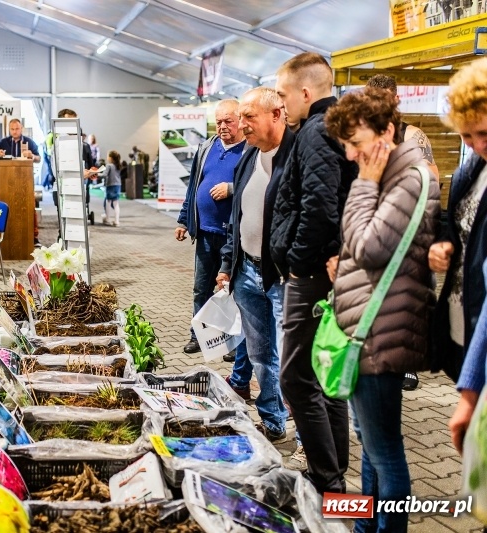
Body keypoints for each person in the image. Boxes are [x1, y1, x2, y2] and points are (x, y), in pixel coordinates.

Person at [324, 86, 440, 533]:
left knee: (386, 452)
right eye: (346, 145)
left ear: (387, 131)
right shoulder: (391, 172)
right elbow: (368, 246)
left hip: (381, 334)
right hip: (373, 326)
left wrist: (364, 185)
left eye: (356, 143)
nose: (352, 155)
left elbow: (369, 246)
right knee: (372, 447)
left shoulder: (406, 178)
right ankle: (365, 526)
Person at [270, 52, 358, 494]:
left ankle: (327, 481)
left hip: (313, 274)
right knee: (324, 375)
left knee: (295, 378)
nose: (281, 104)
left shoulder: (317, 131)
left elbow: (320, 206)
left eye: (283, 95)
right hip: (327, 268)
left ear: (306, 92)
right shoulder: (332, 127)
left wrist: (298, 262)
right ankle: (333, 474)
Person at [217, 87, 293, 443]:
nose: (242, 124)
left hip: (282, 277)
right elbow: (238, 217)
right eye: (241, 117)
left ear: (277, 114)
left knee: (291, 361)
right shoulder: (249, 156)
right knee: (261, 355)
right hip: (246, 271)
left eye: (249, 116)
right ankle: (273, 421)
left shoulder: (295, 157)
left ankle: (307, 439)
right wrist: (227, 263)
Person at [366, 74, 440, 392]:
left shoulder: (412, 135)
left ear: (396, 100)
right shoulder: (365, 135)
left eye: (384, 101)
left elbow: (432, 179)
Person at [435, 58, 487, 457]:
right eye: (466, 136)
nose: (476, 145)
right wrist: (445, 242)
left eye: (483, 133)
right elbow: (454, 221)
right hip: (464, 325)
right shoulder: (472, 168)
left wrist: (470, 391)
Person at [176, 100, 248, 366]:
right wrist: (184, 220)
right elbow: (193, 187)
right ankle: (199, 335)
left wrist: (231, 188)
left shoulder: (250, 150)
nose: (222, 126)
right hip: (205, 232)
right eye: (218, 122)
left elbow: (256, 183)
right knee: (201, 288)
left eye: (228, 121)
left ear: (240, 120)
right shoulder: (206, 147)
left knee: (232, 290)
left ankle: (231, 342)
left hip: (234, 236)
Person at [102, 150, 122, 226]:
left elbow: (104, 175)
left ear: (111, 158)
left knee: (108, 202)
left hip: (110, 186)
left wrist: (96, 173)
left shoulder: (109, 165)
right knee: (116, 203)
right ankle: (117, 221)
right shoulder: (118, 165)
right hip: (118, 186)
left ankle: (107, 219)